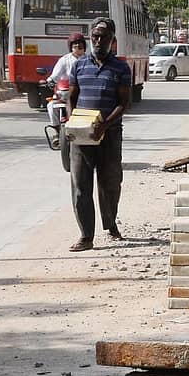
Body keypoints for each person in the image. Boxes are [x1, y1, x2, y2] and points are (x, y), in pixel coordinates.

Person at [66, 17, 131, 252]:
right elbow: (71, 97)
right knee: (81, 185)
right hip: (82, 138)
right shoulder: (79, 66)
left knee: (110, 183)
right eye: (95, 36)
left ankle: (111, 223)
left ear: (112, 40)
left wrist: (104, 126)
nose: (98, 40)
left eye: (103, 36)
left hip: (110, 136)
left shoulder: (121, 68)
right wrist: (73, 121)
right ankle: (86, 236)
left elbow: (124, 103)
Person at [45, 32, 87, 143]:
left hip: (83, 94)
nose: (78, 48)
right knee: (51, 106)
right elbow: (55, 75)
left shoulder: (89, 60)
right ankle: (56, 132)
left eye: (80, 46)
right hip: (66, 93)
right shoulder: (64, 60)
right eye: (75, 46)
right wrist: (50, 81)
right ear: (70, 47)